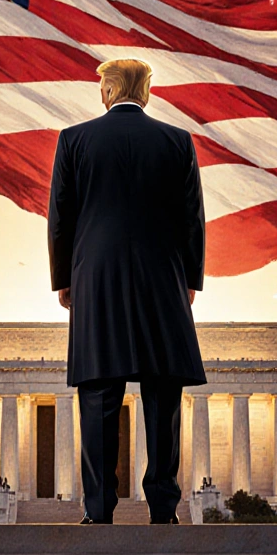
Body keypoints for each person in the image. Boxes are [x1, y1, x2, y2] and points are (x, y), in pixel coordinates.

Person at [48, 58, 207, 526]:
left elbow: (61, 216)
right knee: (163, 392)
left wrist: (63, 278)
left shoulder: (74, 139)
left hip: (96, 278)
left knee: (98, 392)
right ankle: (163, 509)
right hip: (162, 278)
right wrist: (190, 280)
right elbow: (192, 218)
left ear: (108, 91)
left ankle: (98, 511)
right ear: (146, 92)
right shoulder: (177, 141)